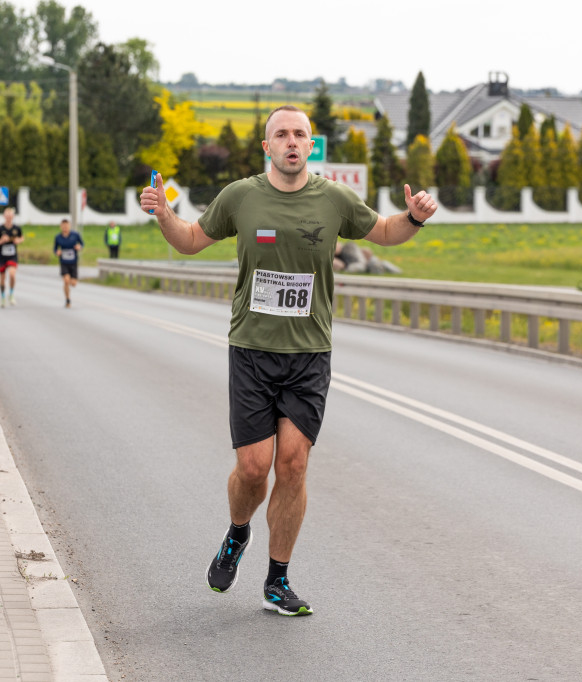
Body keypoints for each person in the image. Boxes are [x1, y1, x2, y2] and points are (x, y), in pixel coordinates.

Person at [139, 105, 437, 617]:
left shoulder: (335, 199)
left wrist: (413, 217)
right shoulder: (241, 197)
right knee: (253, 469)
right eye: (282, 134)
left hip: (308, 355)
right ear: (267, 146)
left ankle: (277, 581)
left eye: (301, 134)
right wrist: (165, 214)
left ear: (311, 145)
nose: (292, 141)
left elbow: (384, 232)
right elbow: (190, 241)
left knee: (293, 465)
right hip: (252, 351)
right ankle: (237, 534)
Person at [0, 207, 23, 307]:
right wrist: (1, 241)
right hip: (2, 256)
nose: (9, 217)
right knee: (2, 278)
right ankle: (3, 297)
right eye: (7, 215)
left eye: (10, 216)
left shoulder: (17, 229)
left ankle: (12, 294)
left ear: (13, 217)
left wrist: (18, 241)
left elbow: (21, 237)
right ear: (4, 216)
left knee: (12, 274)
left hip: (12, 255)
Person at [53, 218, 84, 308]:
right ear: (61, 227)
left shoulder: (75, 235)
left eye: (67, 226)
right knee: (66, 281)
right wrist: (57, 252)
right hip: (64, 262)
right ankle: (67, 299)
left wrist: (79, 247)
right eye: (63, 226)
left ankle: (71, 281)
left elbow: (82, 244)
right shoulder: (58, 237)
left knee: (73, 284)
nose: (65, 228)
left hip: (73, 262)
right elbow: (55, 248)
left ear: (69, 226)